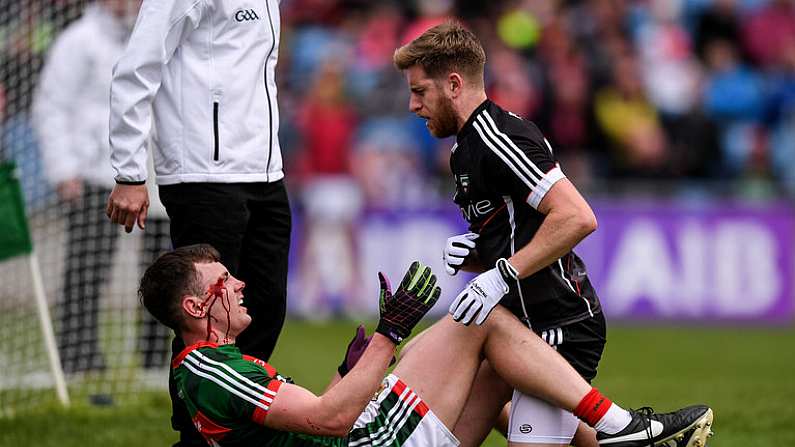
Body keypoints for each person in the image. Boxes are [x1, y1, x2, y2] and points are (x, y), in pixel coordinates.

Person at [138, 244, 714, 447]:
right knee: (482, 322)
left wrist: (354, 368)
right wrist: (388, 337)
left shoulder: (212, 369)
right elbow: (332, 421)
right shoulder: (210, 370)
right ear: (196, 308)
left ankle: (626, 441)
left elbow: (313, 416)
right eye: (222, 282)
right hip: (368, 444)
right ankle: (618, 428)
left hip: (367, 438)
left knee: (497, 365)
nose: (237, 284)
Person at [391, 22, 619, 446]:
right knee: (452, 435)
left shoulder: (499, 137)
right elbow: (519, 233)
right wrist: (477, 254)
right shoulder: (464, 149)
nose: (412, 105)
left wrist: (500, 275)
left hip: (558, 323)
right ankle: (633, 437)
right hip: (516, 323)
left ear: (454, 84)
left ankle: (631, 432)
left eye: (420, 91)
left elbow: (576, 218)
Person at [105, 0, 291, 444]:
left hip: (265, 172)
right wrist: (130, 172)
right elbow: (136, 68)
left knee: (264, 309)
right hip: (202, 173)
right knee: (205, 320)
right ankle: (193, 435)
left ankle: (240, 429)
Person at [31, 0, 170, 374]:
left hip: (156, 173)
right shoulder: (79, 40)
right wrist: (63, 169)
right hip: (94, 174)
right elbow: (51, 106)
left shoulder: (156, 34)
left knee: (165, 270)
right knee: (88, 270)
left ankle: (156, 361)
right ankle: (80, 358)